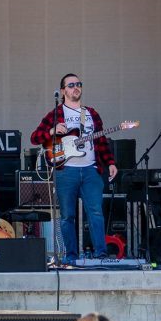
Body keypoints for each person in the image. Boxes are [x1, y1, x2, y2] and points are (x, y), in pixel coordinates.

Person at [30, 73, 117, 263]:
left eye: (78, 84)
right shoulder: (55, 114)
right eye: (71, 85)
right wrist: (52, 131)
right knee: (67, 215)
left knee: (95, 212)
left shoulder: (91, 114)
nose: (75, 87)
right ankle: (71, 257)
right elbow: (34, 138)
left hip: (90, 170)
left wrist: (110, 162)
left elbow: (101, 141)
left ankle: (100, 254)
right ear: (63, 91)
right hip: (65, 170)